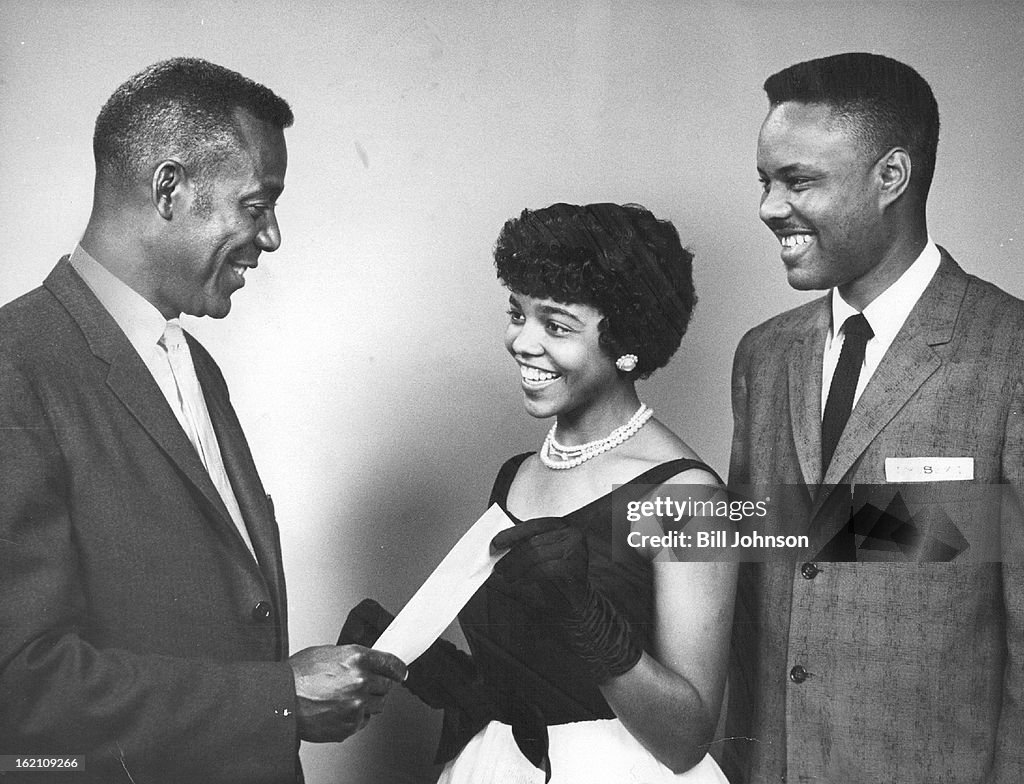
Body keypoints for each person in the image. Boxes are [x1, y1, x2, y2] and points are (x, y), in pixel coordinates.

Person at [0, 58, 406, 784]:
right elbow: (20, 687)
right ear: (169, 189)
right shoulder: (15, 367)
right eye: (257, 205)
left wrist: (303, 687)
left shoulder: (193, 366)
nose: (274, 236)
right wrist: (278, 699)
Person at [348, 203, 736, 782]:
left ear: (624, 342)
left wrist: (588, 619)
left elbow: (686, 739)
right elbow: (539, 676)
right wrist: (437, 671)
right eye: (517, 314)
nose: (521, 342)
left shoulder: (686, 498)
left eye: (555, 325)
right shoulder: (516, 475)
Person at [722, 52, 1024, 782]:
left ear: (892, 177)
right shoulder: (762, 356)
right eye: (765, 180)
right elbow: (764, 550)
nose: (769, 206)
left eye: (798, 180)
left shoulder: (1010, 355)